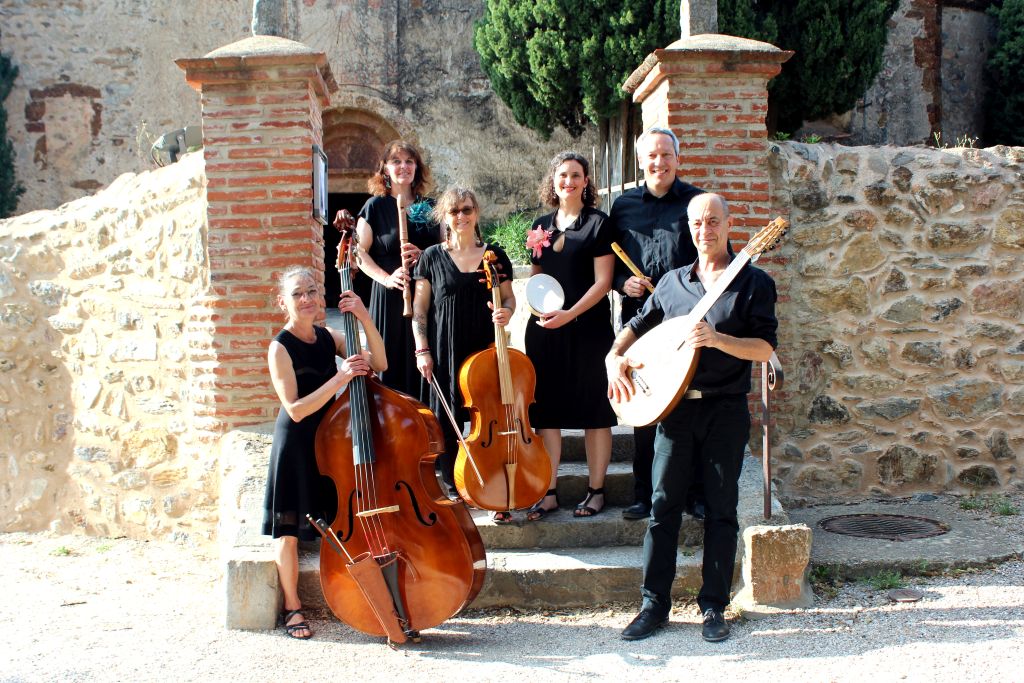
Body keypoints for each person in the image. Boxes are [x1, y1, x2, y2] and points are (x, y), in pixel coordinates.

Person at [606, 194, 778, 643]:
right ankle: (653, 605)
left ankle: (713, 606)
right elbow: (638, 325)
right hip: (675, 410)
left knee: (721, 510)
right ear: (689, 226)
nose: (706, 230)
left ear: (729, 223)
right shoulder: (672, 283)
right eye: (698, 222)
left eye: (714, 221)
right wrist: (613, 357)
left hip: (725, 409)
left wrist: (720, 340)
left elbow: (765, 349)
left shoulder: (754, 282)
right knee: (663, 507)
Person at [261, 266, 388, 639]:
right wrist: (341, 377)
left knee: (337, 520)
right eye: (298, 293)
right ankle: (293, 608)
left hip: (328, 442)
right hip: (296, 442)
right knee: (287, 532)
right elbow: (296, 408)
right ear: (283, 302)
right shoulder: (279, 347)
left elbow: (379, 363)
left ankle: (356, 595)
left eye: (312, 292)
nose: (307, 299)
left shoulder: (328, 336)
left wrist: (364, 317)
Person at [608, 127, 704, 521]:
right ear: (641, 161)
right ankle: (643, 496)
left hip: (685, 319)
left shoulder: (697, 202)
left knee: (691, 407)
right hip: (639, 321)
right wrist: (621, 282)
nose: (659, 162)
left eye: (666, 155)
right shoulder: (623, 206)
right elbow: (608, 266)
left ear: (677, 159)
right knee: (644, 408)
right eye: (652, 156)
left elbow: (713, 256)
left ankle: (694, 496)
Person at [525, 151, 617, 520]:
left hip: (588, 330)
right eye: (562, 175)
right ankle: (548, 492)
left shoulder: (599, 224)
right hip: (545, 331)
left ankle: (596, 492)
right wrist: (540, 313)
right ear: (554, 180)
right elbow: (535, 278)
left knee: (596, 411)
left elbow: (604, 283)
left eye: (576, 175)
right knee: (548, 413)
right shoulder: (540, 225)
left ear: (586, 181)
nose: (569, 181)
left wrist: (569, 315)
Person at [411, 187, 516, 509]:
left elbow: (510, 298)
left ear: (476, 213)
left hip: (485, 352)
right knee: (445, 419)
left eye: (467, 210)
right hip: (444, 352)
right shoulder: (431, 257)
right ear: (445, 215)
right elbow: (419, 310)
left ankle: (495, 481)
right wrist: (422, 350)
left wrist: (507, 312)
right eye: (454, 211)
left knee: (491, 417)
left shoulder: (494, 256)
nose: (461, 216)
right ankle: (456, 484)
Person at [355, 140, 440, 398]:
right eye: (396, 161)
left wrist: (426, 254)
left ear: (417, 168)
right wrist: (386, 278)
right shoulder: (375, 207)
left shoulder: (432, 207)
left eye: (409, 161)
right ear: (385, 170)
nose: (404, 166)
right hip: (390, 298)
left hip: (427, 296)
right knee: (389, 365)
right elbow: (359, 253)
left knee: (427, 364)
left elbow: (449, 249)